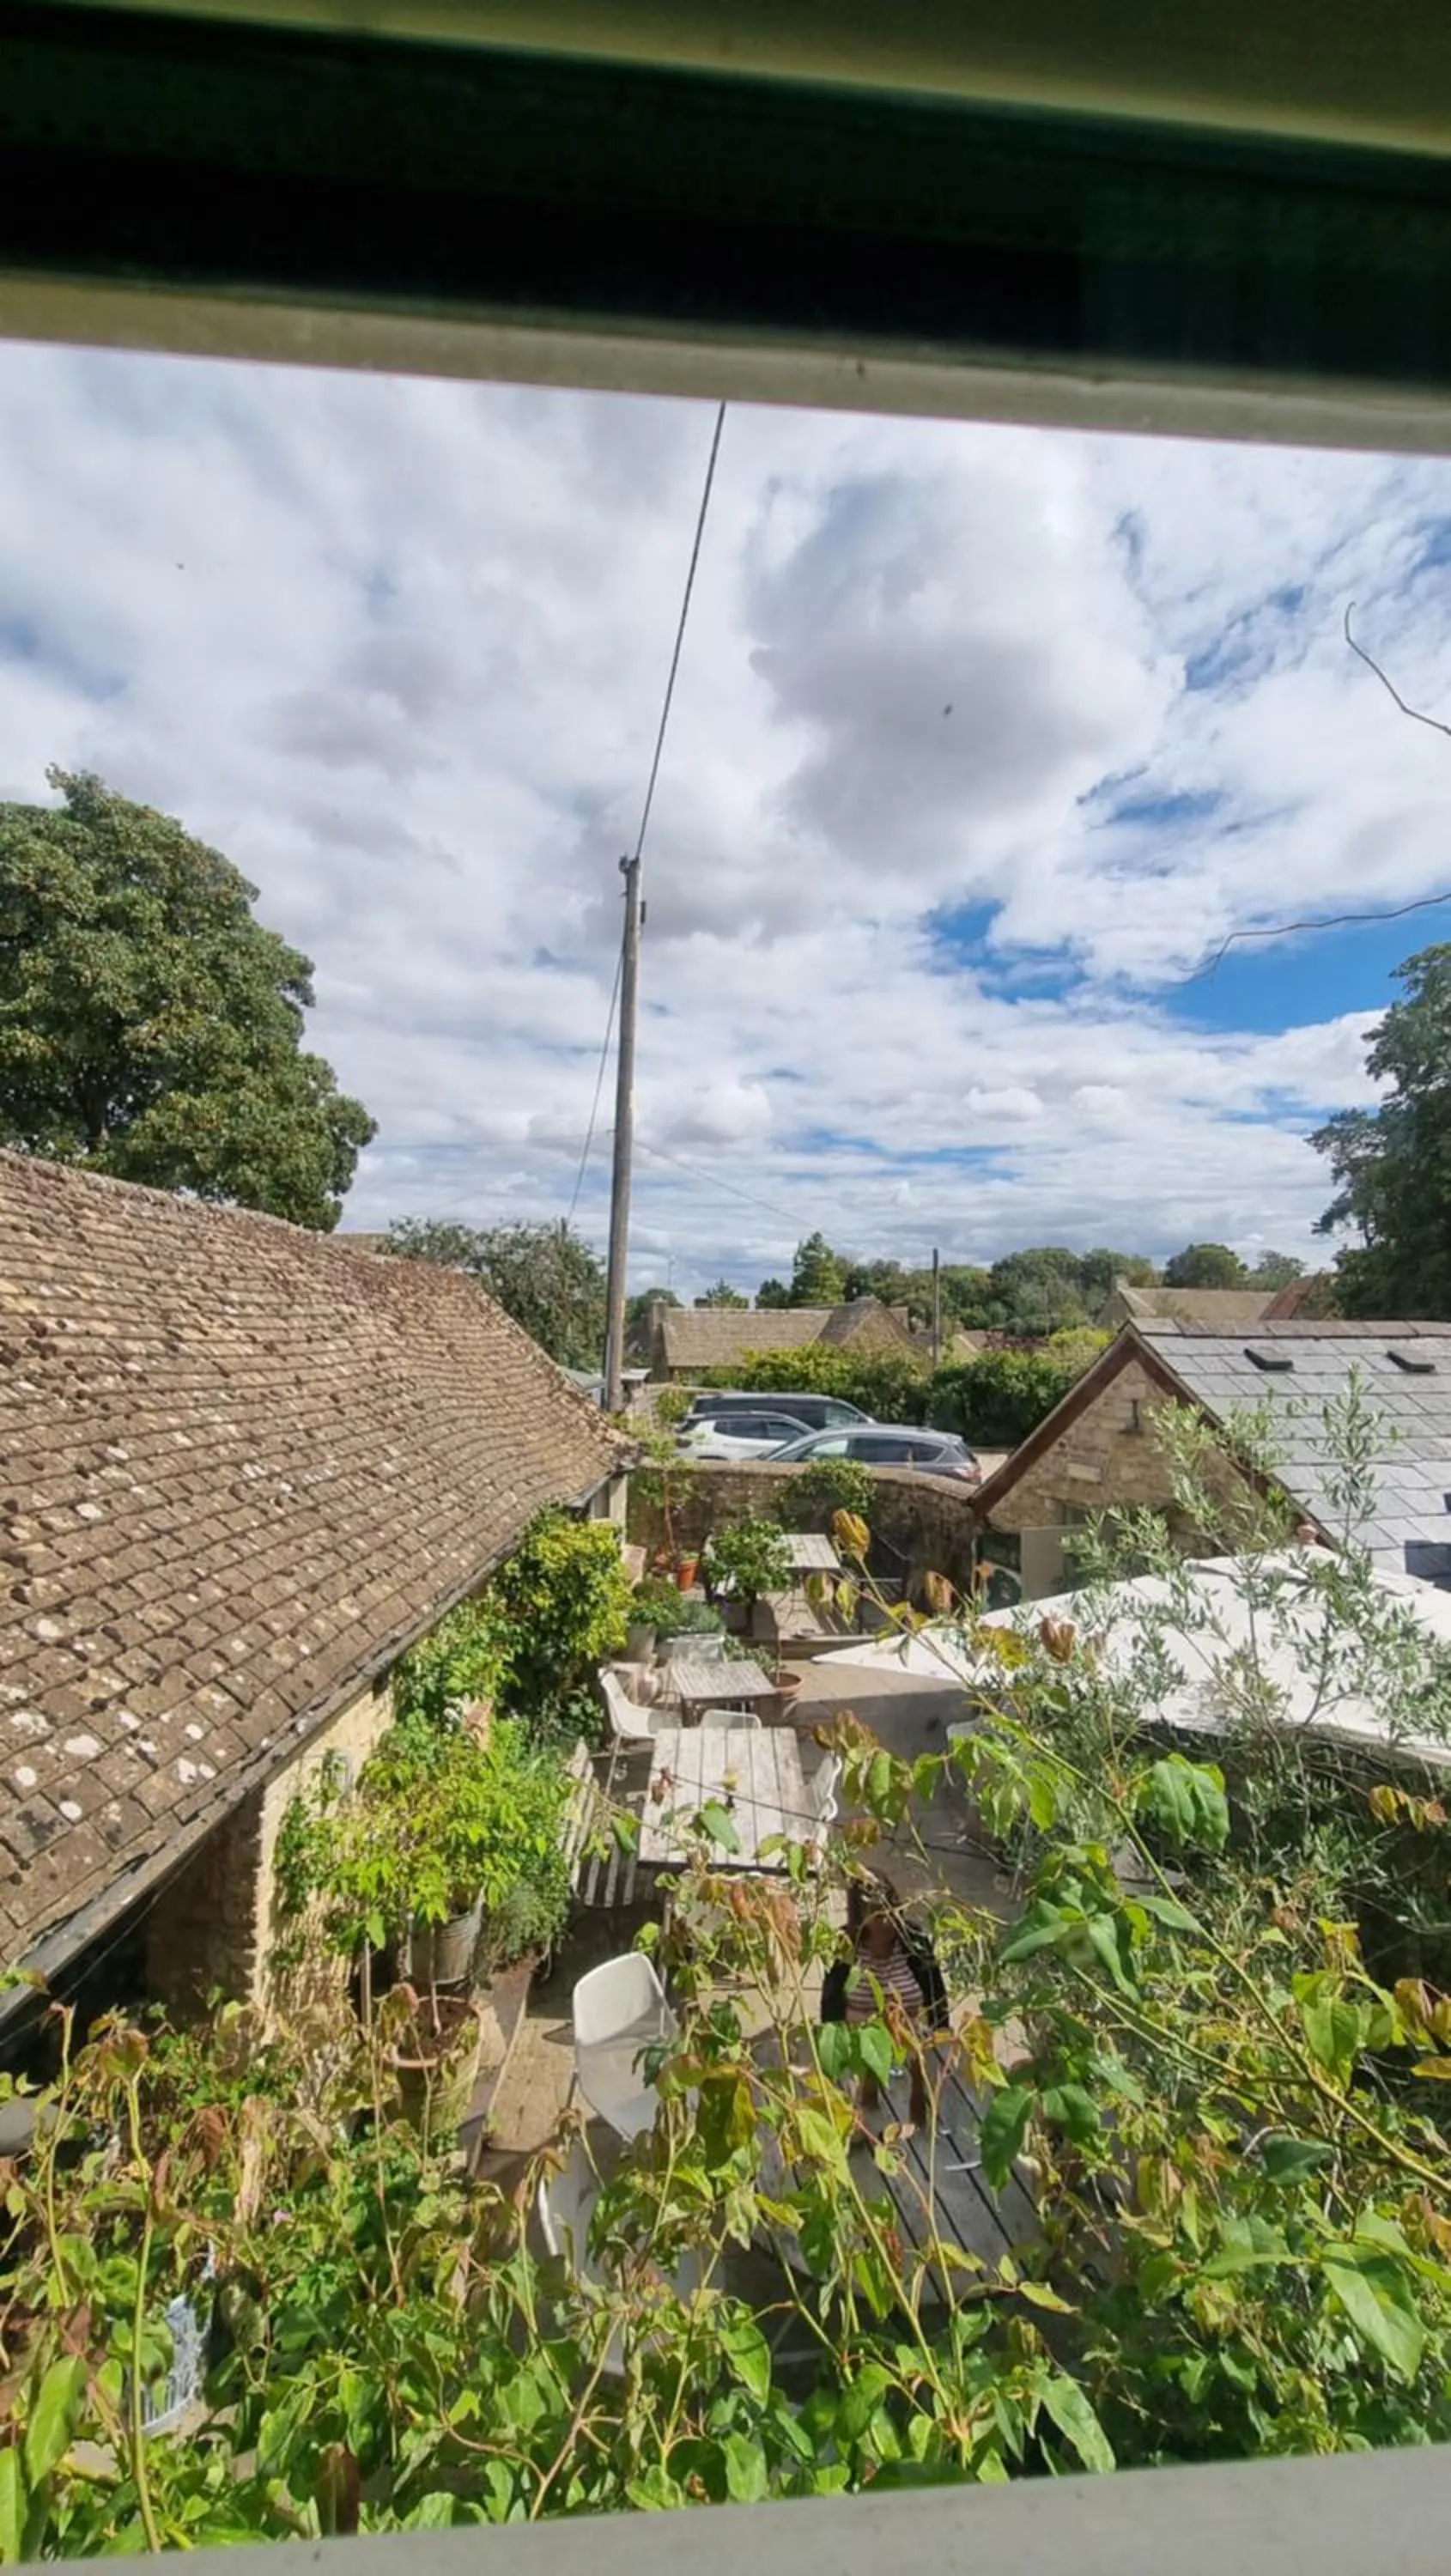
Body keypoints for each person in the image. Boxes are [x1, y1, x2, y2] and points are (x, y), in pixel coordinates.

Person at [820, 1874, 947, 2130]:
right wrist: (878, 2024)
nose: (889, 1921)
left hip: (910, 2033)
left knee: (923, 2078)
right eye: (878, 1915)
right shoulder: (847, 1946)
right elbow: (830, 2009)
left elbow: (937, 1997)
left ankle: (919, 2117)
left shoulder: (914, 1941)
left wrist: (941, 2034)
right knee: (857, 2100)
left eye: (893, 1909)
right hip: (860, 2031)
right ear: (861, 1917)